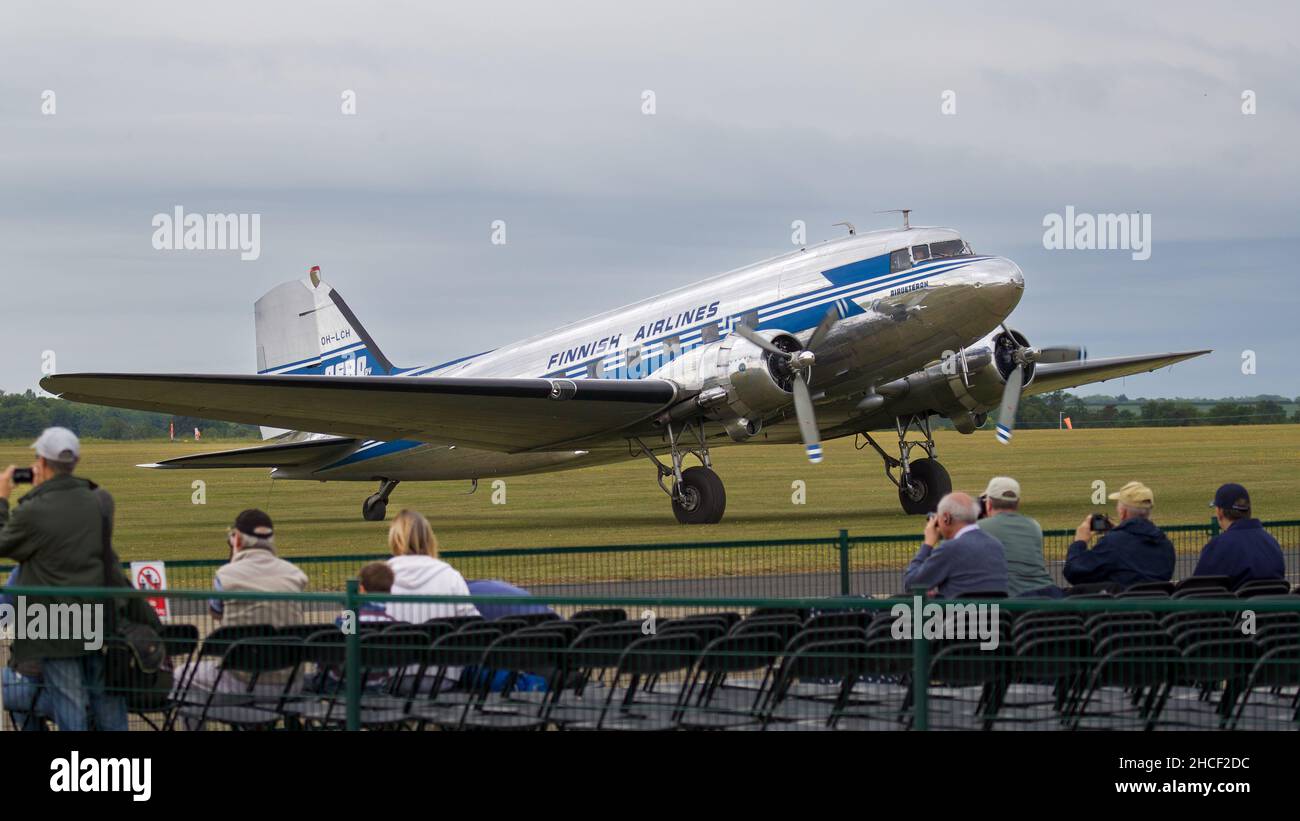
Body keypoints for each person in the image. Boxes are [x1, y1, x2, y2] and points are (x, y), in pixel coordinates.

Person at [0, 427, 142, 731]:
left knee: (70, 703)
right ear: (75, 460)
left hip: (57, 625)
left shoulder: (34, 508)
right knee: (105, 698)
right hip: (97, 616)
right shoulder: (100, 500)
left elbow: (4, 543)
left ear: (41, 461)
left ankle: (76, 772)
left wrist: (3, 498)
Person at [177, 510, 308, 712]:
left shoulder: (225, 575)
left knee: (179, 677)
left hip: (242, 681)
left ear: (236, 539)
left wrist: (233, 559)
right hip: (290, 681)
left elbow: (216, 613)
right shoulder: (295, 574)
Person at [1064, 481, 1175, 589]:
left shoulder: (1113, 543)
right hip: (1158, 605)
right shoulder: (1165, 544)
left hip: (1122, 605)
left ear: (1123, 512)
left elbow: (1074, 572)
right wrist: (1118, 532)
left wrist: (1079, 542)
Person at [903, 492, 1009, 598]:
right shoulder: (996, 545)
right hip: (996, 613)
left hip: (959, 613)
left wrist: (928, 544)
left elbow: (912, 584)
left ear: (946, 518)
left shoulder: (950, 549)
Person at [385, 510, 479, 623]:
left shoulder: (378, 578)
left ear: (394, 540)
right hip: (442, 639)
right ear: (428, 539)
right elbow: (472, 620)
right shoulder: (450, 576)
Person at [976, 477, 1061, 598]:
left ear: (988, 504)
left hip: (1018, 602)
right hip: (1050, 595)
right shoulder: (1034, 526)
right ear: (1017, 503)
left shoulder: (980, 528)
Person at [1192, 483, 1285, 589]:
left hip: (1237, 605)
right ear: (1248, 510)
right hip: (1272, 605)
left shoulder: (1218, 545)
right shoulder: (1271, 542)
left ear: (1219, 512)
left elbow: (1198, 589)